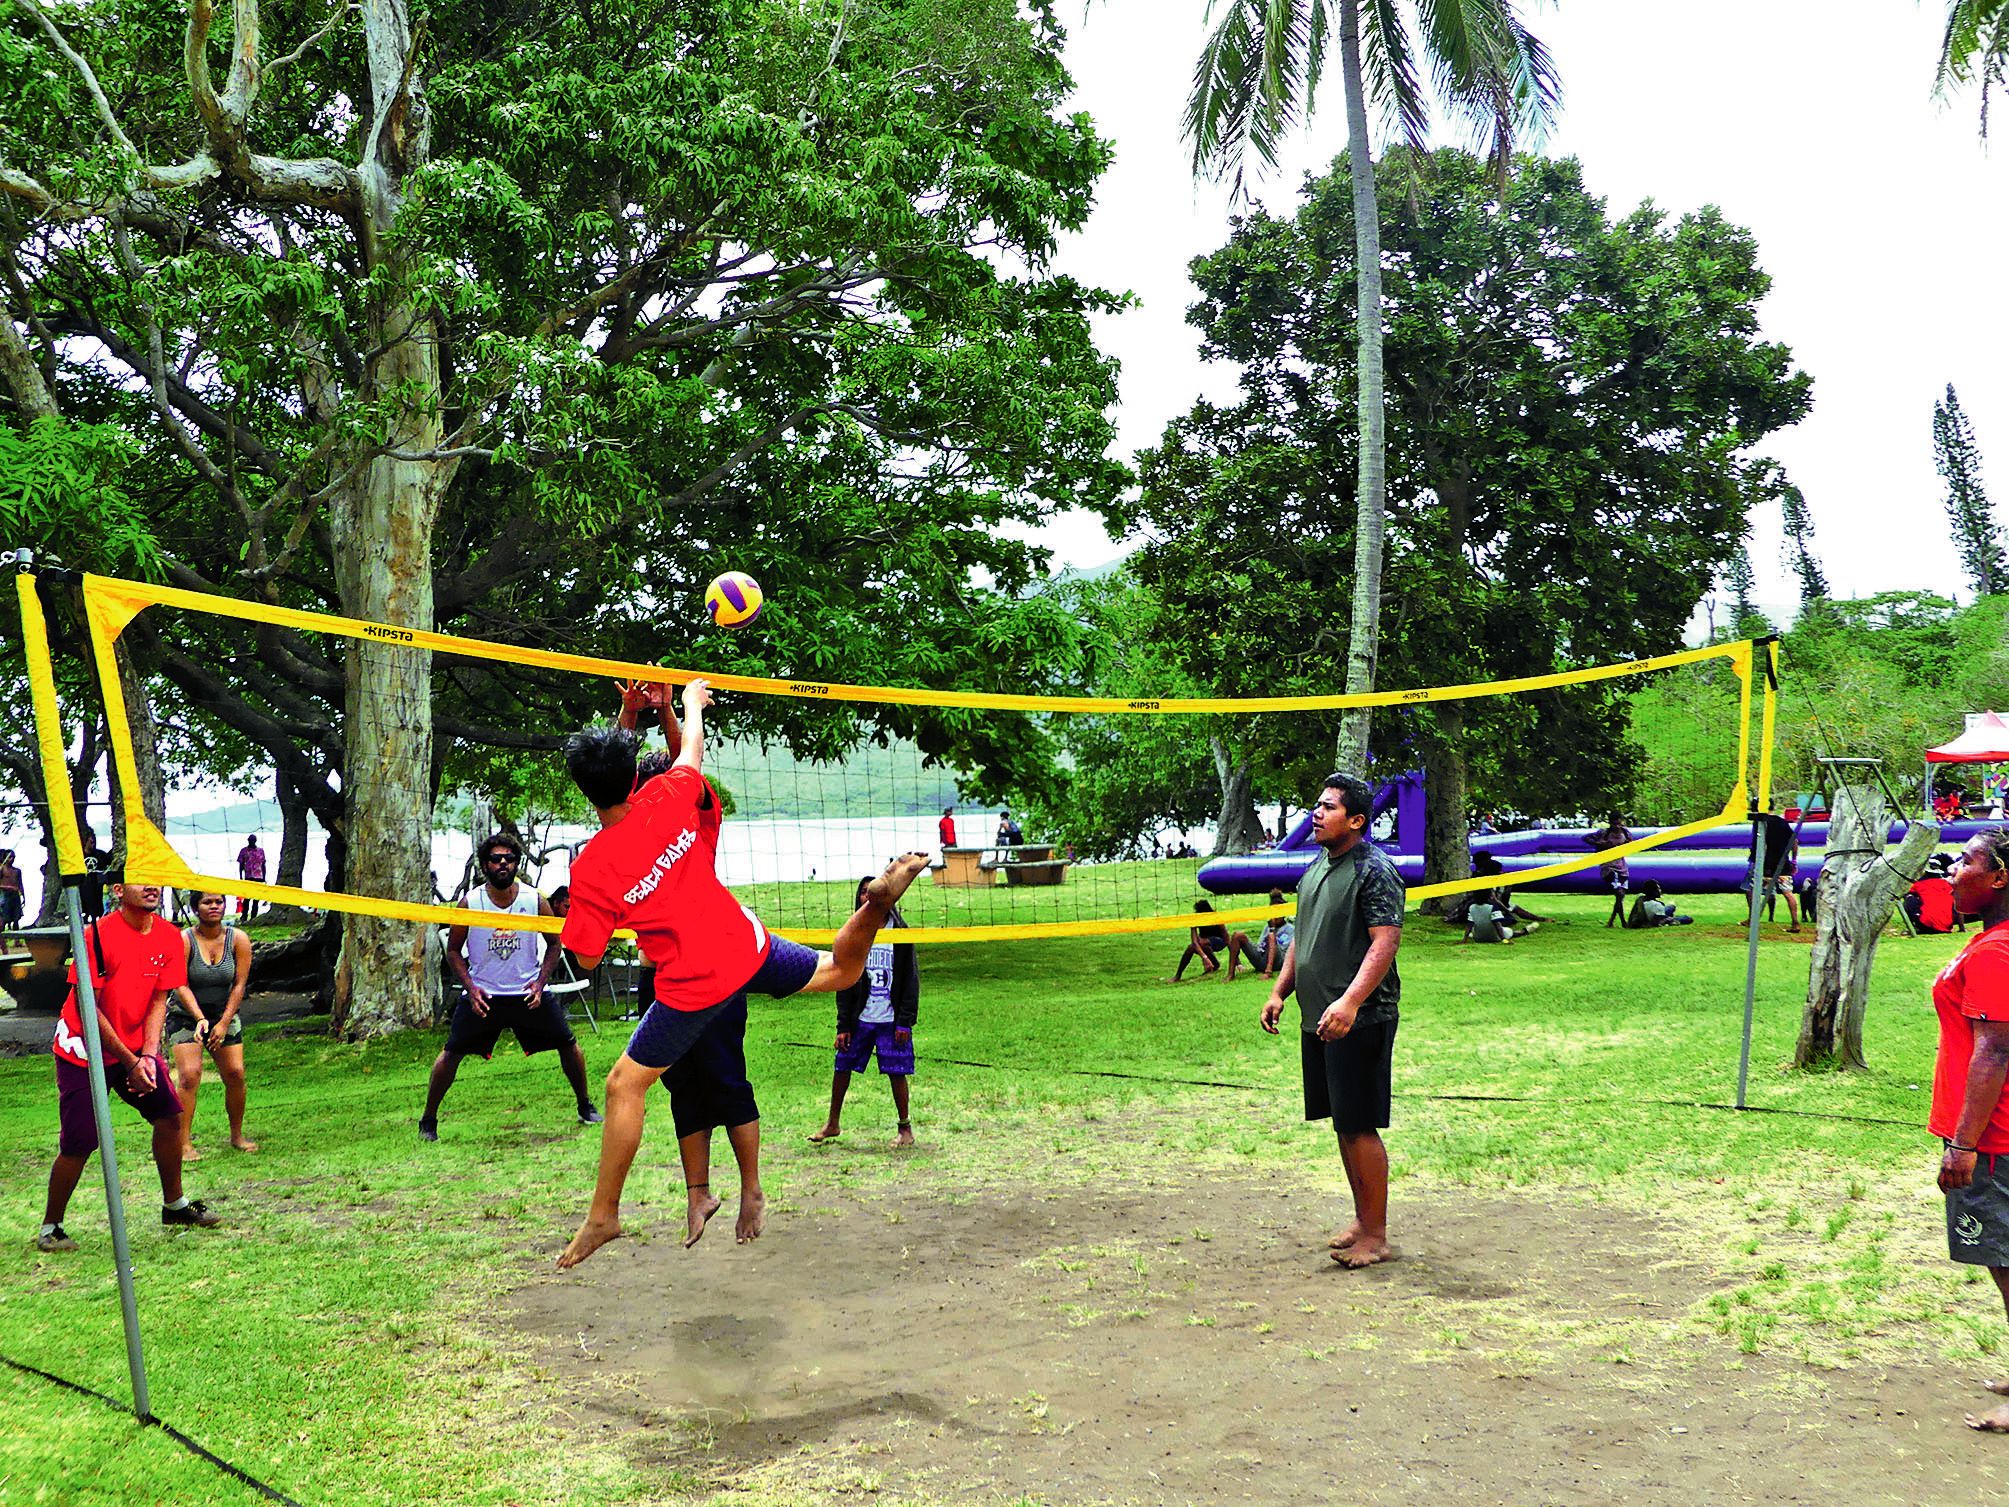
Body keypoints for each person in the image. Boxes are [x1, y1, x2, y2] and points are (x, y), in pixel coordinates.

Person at [553, 679, 929, 1268]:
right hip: (746, 943)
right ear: (633, 778)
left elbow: (588, 960)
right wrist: (687, 704)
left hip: (694, 983)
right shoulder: (672, 795)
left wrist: (593, 912)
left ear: (585, 789)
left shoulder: (593, 871)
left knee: (625, 1086)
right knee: (839, 971)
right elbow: (689, 750)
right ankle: (876, 904)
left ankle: (604, 1215)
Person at [1260, 772, 1404, 1269]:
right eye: (1316, 805)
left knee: (1360, 1125)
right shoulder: (1316, 869)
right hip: (1319, 1018)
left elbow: (1385, 941)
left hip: (1359, 1019)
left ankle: (1376, 1236)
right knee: (1344, 1124)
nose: (1316, 814)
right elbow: (1303, 937)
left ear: (1356, 820)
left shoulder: (1374, 870)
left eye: (1328, 807)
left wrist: (1350, 1002)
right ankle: (1363, 1221)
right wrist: (1280, 991)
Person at [38, 872, 222, 1251]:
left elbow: (158, 999)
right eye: (141, 880)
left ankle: (175, 1205)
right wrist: (129, 1061)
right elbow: (89, 1008)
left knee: (170, 1117)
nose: (152, 887)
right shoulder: (95, 936)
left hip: (137, 1048)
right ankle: (51, 1227)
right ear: (119, 890)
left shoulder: (169, 936)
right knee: (81, 1139)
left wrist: (148, 1056)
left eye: (156, 880)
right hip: (83, 1049)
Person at [419, 831, 600, 1141]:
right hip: (484, 995)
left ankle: (585, 1105)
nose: (503, 864)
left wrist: (540, 983)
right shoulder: (471, 902)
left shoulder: (534, 899)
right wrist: (471, 988)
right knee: (451, 1053)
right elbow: (453, 951)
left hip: (527, 993)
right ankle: (428, 1121)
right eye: (495, 859)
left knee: (568, 1044)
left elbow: (554, 944)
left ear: (517, 863)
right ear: (484, 865)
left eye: (509, 858)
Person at [1927, 829, 2009, 1432]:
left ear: (2000, 877)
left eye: (1966, 861)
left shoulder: (1996, 951)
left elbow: (1995, 1051)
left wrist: (1963, 1144)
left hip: (1995, 1138)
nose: (1953, 871)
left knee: (2007, 1263)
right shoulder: (1990, 940)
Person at [810, 875, 920, 1147]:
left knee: (897, 1072)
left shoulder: (900, 932)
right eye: (863, 892)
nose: (867, 896)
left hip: (890, 1020)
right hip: (860, 1019)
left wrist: (904, 1022)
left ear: (887, 898)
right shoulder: (854, 934)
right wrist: (843, 1026)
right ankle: (832, 1123)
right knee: (842, 1067)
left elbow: (910, 980)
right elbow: (843, 981)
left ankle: (905, 1128)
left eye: (872, 891)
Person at [168, 891, 258, 1156]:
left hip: (223, 1014)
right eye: (207, 902)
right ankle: (183, 1142)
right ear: (196, 908)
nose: (214, 906)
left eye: (219, 902)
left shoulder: (238, 939)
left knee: (235, 1073)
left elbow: (239, 984)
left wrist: (223, 1022)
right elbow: (180, 984)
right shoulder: (184, 940)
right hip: (186, 1016)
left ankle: (237, 1135)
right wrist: (200, 1019)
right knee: (189, 1075)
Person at [1749, 811, 1802, 932]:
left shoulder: (1760, 822)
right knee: (1788, 892)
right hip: (1783, 863)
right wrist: (1794, 860)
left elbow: (1761, 843)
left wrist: (1756, 861)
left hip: (1766, 864)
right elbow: (1794, 841)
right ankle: (1795, 922)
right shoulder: (1782, 822)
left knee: (1754, 890)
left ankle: (1753, 919)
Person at [1584, 815, 1632, 928]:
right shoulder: (1604, 833)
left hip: (1622, 866)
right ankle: (1623, 922)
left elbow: (1631, 843)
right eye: (1614, 824)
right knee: (1619, 893)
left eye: (1619, 823)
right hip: (1608, 866)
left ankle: (1611, 921)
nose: (1617, 826)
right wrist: (1600, 843)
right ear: (1610, 823)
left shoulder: (1625, 833)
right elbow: (1585, 838)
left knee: (1620, 896)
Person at [1172, 900, 1228, 981]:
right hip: (1204, 943)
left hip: (1220, 941)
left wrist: (1238, 963)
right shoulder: (1196, 919)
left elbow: (1227, 939)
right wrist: (1204, 958)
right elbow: (1194, 942)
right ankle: (1178, 975)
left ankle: (1214, 964)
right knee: (1191, 947)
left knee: (1202, 942)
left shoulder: (1216, 917)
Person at [1907, 855, 1962, 936]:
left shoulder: (1919, 885)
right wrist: (1961, 928)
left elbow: (1906, 893)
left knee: (1909, 898)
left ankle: (1913, 927)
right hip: (1946, 926)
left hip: (1925, 925)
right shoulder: (1947, 885)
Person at [1626, 880, 1695, 928]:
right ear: (1654, 891)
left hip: (1649, 915)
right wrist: (1670, 919)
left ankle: (1671, 908)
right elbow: (1659, 921)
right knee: (1687, 918)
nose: (1660, 890)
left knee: (1670, 907)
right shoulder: (1657, 905)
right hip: (1654, 918)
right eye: (1658, 889)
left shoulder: (1640, 899)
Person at [235, 835, 266, 921]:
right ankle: (244, 916)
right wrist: (241, 877)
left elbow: (263, 864)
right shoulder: (244, 851)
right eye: (250, 840)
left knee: (256, 899)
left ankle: (253, 917)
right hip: (248, 877)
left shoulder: (260, 851)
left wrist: (264, 877)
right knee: (247, 898)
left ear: (255, 841)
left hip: (259, 877)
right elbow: (241, 864)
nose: (251, 841)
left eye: (253, 840)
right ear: (248, 840)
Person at [0, 848, 24, 928]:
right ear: (5, 858)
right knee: (5, 915)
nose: (12, 859)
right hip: (5, 894)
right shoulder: (2, 869)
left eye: (13, 857)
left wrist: (23, 895)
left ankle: (16, 929)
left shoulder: (17, 871)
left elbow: (20, 884)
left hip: (15, 895)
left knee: (16, 915)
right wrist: (8, 887)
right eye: (9, 857)